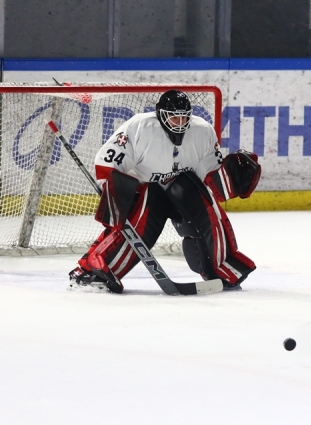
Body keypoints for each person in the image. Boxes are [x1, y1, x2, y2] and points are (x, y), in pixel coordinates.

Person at [69, 89, 260, 293]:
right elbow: (108, 161)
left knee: (210, 212)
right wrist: (113, 190)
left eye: (183, 117)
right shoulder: (140, 126)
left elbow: (208, 177)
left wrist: (230, 178)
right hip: (146, 192)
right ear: (161, 114)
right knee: (139, 226)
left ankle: (221, 268)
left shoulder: (202, 131)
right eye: (174, 118)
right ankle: (93, 271)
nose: (179, 123)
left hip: (183, 191)